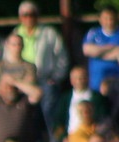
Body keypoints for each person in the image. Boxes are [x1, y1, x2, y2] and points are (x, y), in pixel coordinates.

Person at [12, 1, 69, 133]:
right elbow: (8, 58)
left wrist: (56, 77)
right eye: (24, 15)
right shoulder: (15, 33)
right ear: (20, 17)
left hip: (45, 80)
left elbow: (62, 57)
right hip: (23, 82)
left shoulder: (49, 33)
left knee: (49, 110)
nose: (28, 18)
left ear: (37, 16)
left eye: (31, 14)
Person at [82, 6, 119, 94]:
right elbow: (87, 50)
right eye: (106, 18)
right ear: (100, 19)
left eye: (112, 18)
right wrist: (110, 47)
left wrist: (99, 53)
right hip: (96, 82)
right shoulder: (93, 32)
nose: (109, 21)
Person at [52, 66, 109, 142]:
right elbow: (58, 122)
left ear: (88, 78)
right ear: (71, 81)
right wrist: (64, 139)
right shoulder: (65, 98)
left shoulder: (98, 98)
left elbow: (103, 118)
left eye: (83, 78)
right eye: (76, 78)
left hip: (91, 138)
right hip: (70, 138)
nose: (80, 81)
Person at [0, 33, 38, 98]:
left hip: (22, 100)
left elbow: (30, 88)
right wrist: (14, 88)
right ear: (7, 46)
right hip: (0, 100)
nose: (17, 47)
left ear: (23, 46)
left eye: (19, 44)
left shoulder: (30, 66)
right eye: (14, 45)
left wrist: (13, 82)